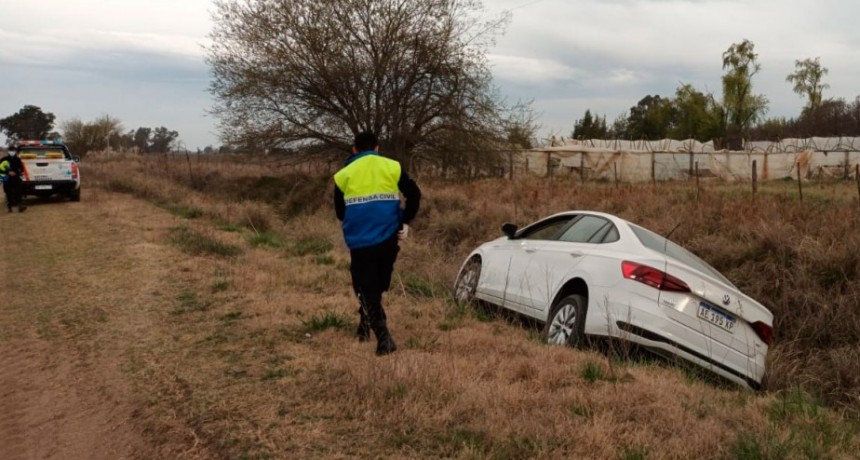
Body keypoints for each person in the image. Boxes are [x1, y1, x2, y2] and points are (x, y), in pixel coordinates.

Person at [333, 131, 421, 356]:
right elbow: (415, 194)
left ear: (354, 149)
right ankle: (379, 333)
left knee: (365, 284)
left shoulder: (343, 175)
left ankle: (377, 330)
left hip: (360, 239)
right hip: (389, 236)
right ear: (377, 148)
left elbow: (340, 212)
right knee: (377, 283)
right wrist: (405, 222)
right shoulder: (393, 167)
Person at [0, 145, 27, 213]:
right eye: (11, 150)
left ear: (15, 151)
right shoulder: (4, 159)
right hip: (7, 179)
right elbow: (0, 169)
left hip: (16, 178)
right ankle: (9, 207)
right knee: (8, 193)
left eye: (13, 150)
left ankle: (20, 206)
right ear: (8, 151)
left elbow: (21, 169)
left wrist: (17, 172)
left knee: (18, 192)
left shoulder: (18, 159)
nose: (12, 152)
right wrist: (8, 172)